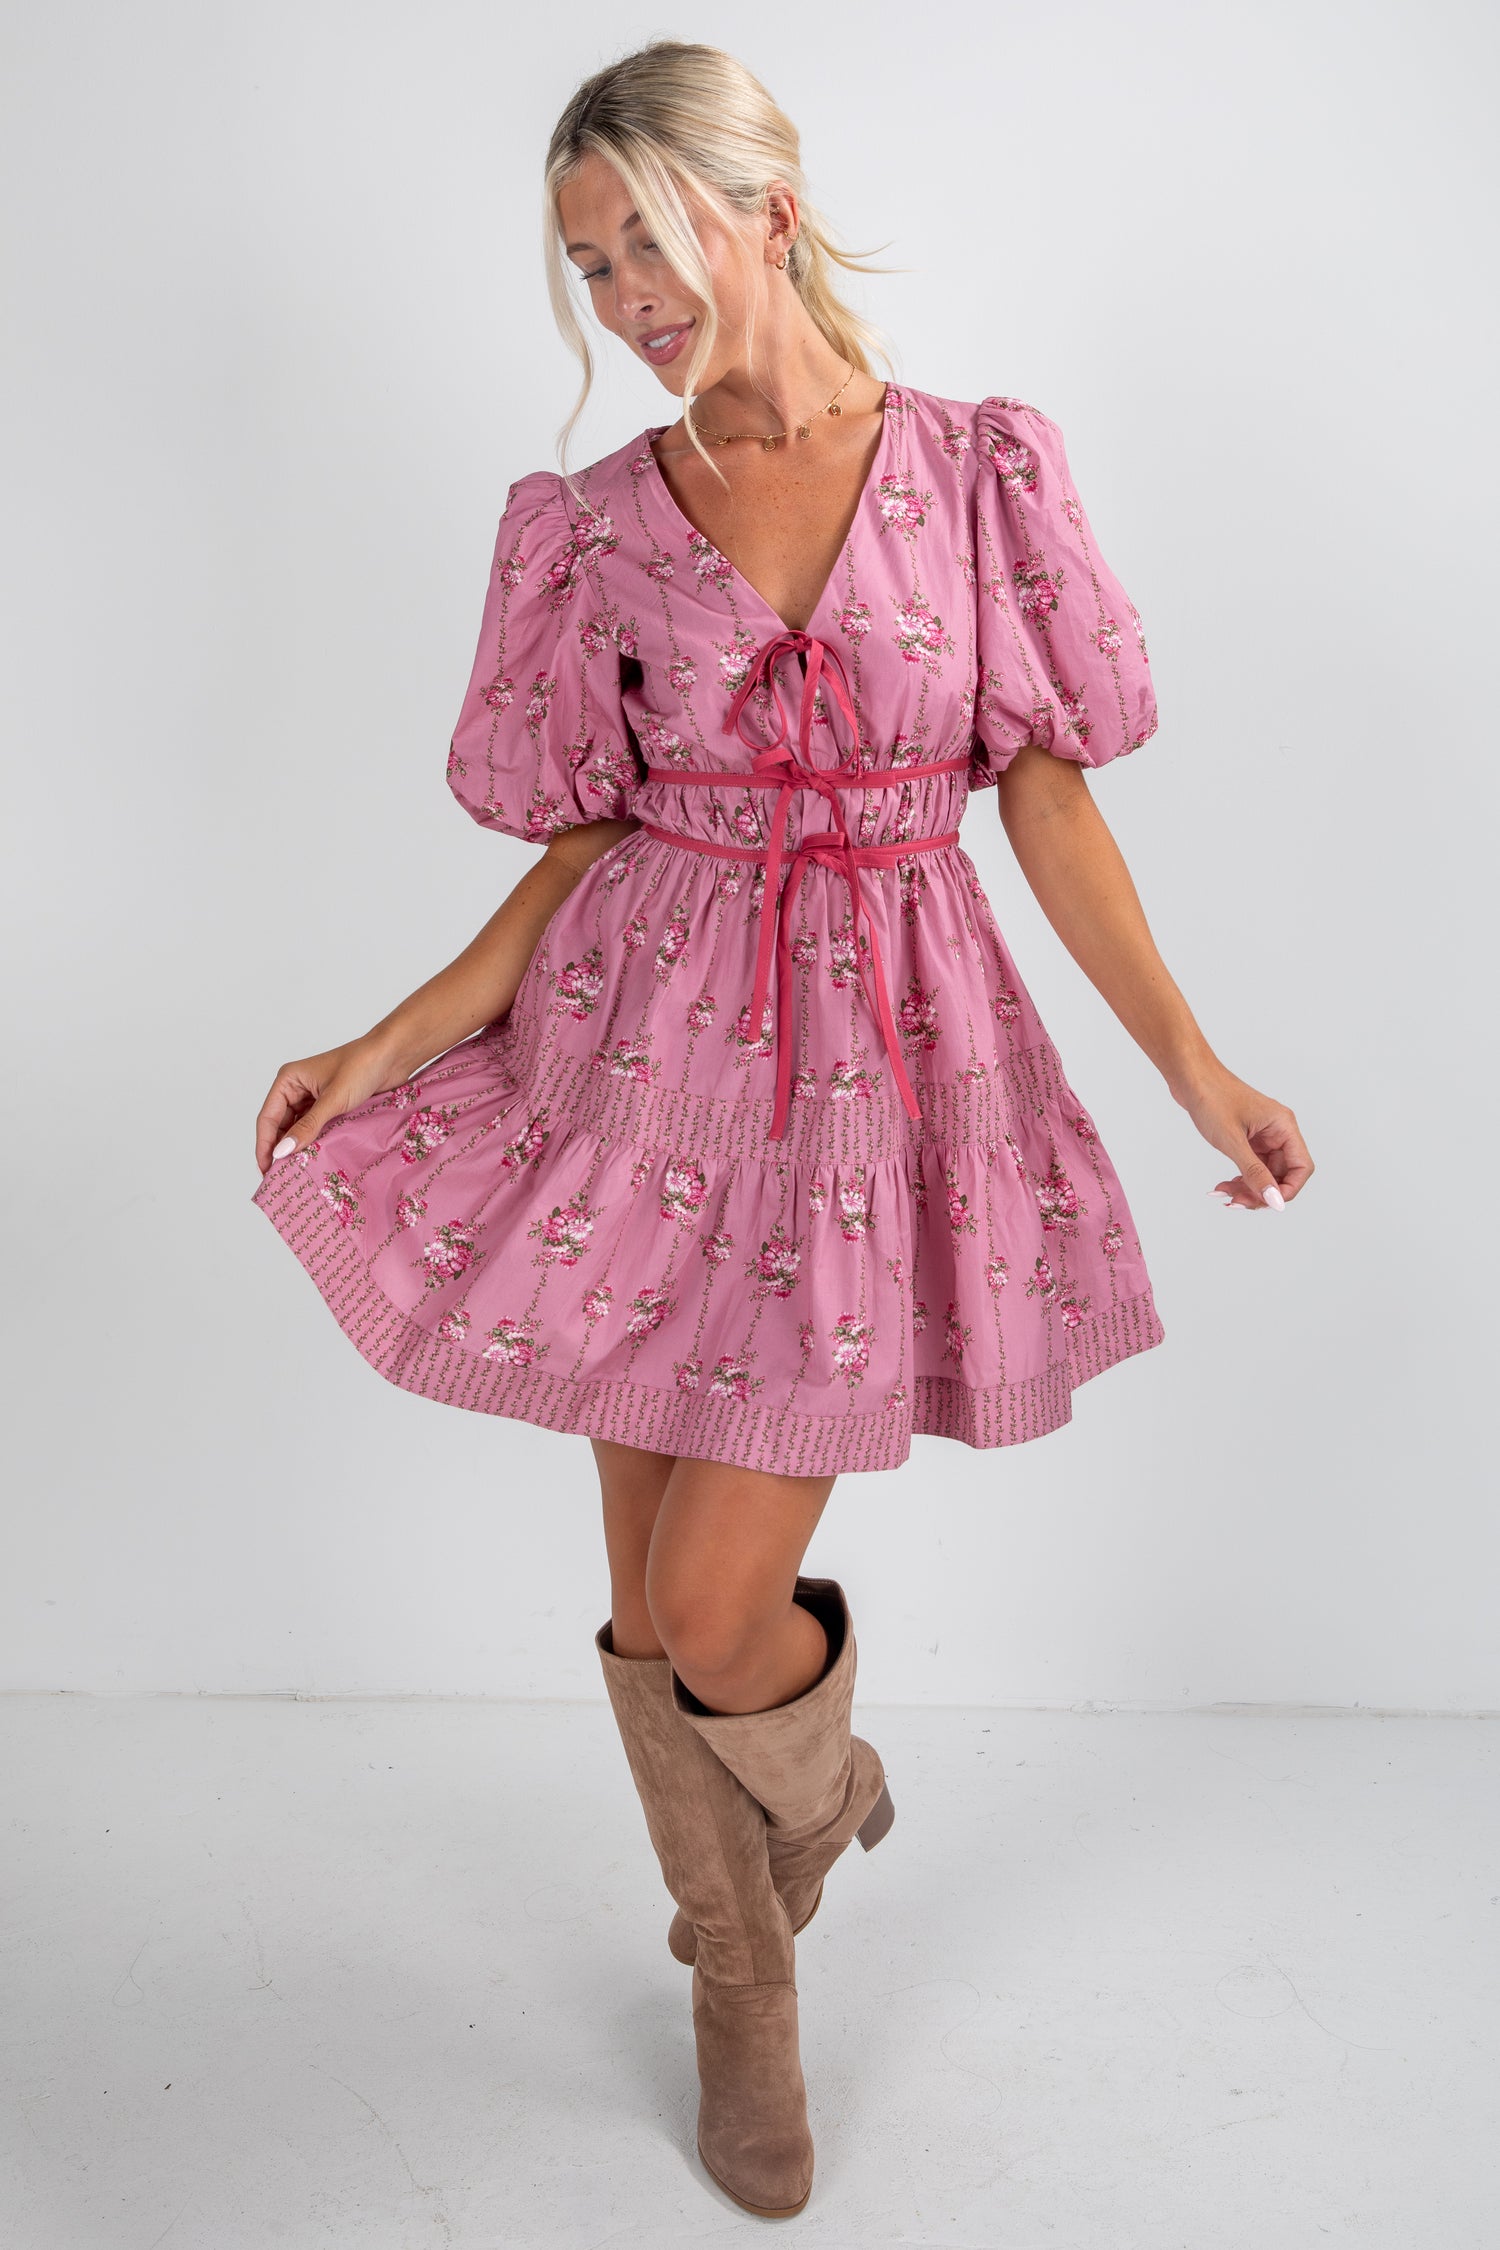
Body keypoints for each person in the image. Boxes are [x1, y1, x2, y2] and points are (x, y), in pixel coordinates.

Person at [250, 38, 1313, 2220]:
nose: (625, 293)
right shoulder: (601, 525)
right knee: (646, 1606)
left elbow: (1043, 789)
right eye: (586, 264)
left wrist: (1196, 1062)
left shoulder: (972, 466)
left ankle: (799, 1811)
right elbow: (578, 848)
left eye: (647, 236)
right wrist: (383, 1037)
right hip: (634, 1076)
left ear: (768, 197)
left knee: (721, 1604)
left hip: (875, 1090)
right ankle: (753, 1981)